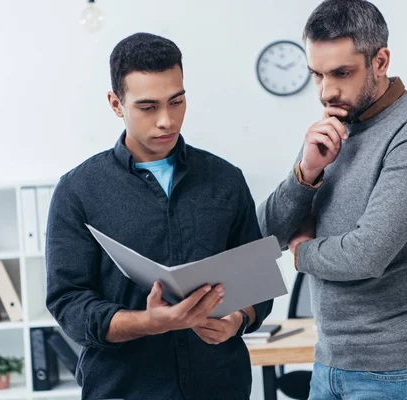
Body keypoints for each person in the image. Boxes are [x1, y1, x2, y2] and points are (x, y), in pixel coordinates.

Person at [45, 32, 272, 400]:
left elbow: (257, 283)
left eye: (177, 101)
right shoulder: (78, 190)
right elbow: (68, 301)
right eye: (148, 107)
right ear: (116, 104)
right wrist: (147, 324)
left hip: (220, 385)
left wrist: (239, 319)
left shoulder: (225, 179)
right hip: (125, 388)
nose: (167, 120)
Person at [257, 1, 407, 398]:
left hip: (399, 373)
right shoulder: (332, 127)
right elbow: (265, 233)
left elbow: (366, 254)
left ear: (380, 61)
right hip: (328, 363)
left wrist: (301, 253)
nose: (326, 91)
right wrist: (307, 173)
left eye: (341, 73)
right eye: (317, 74)